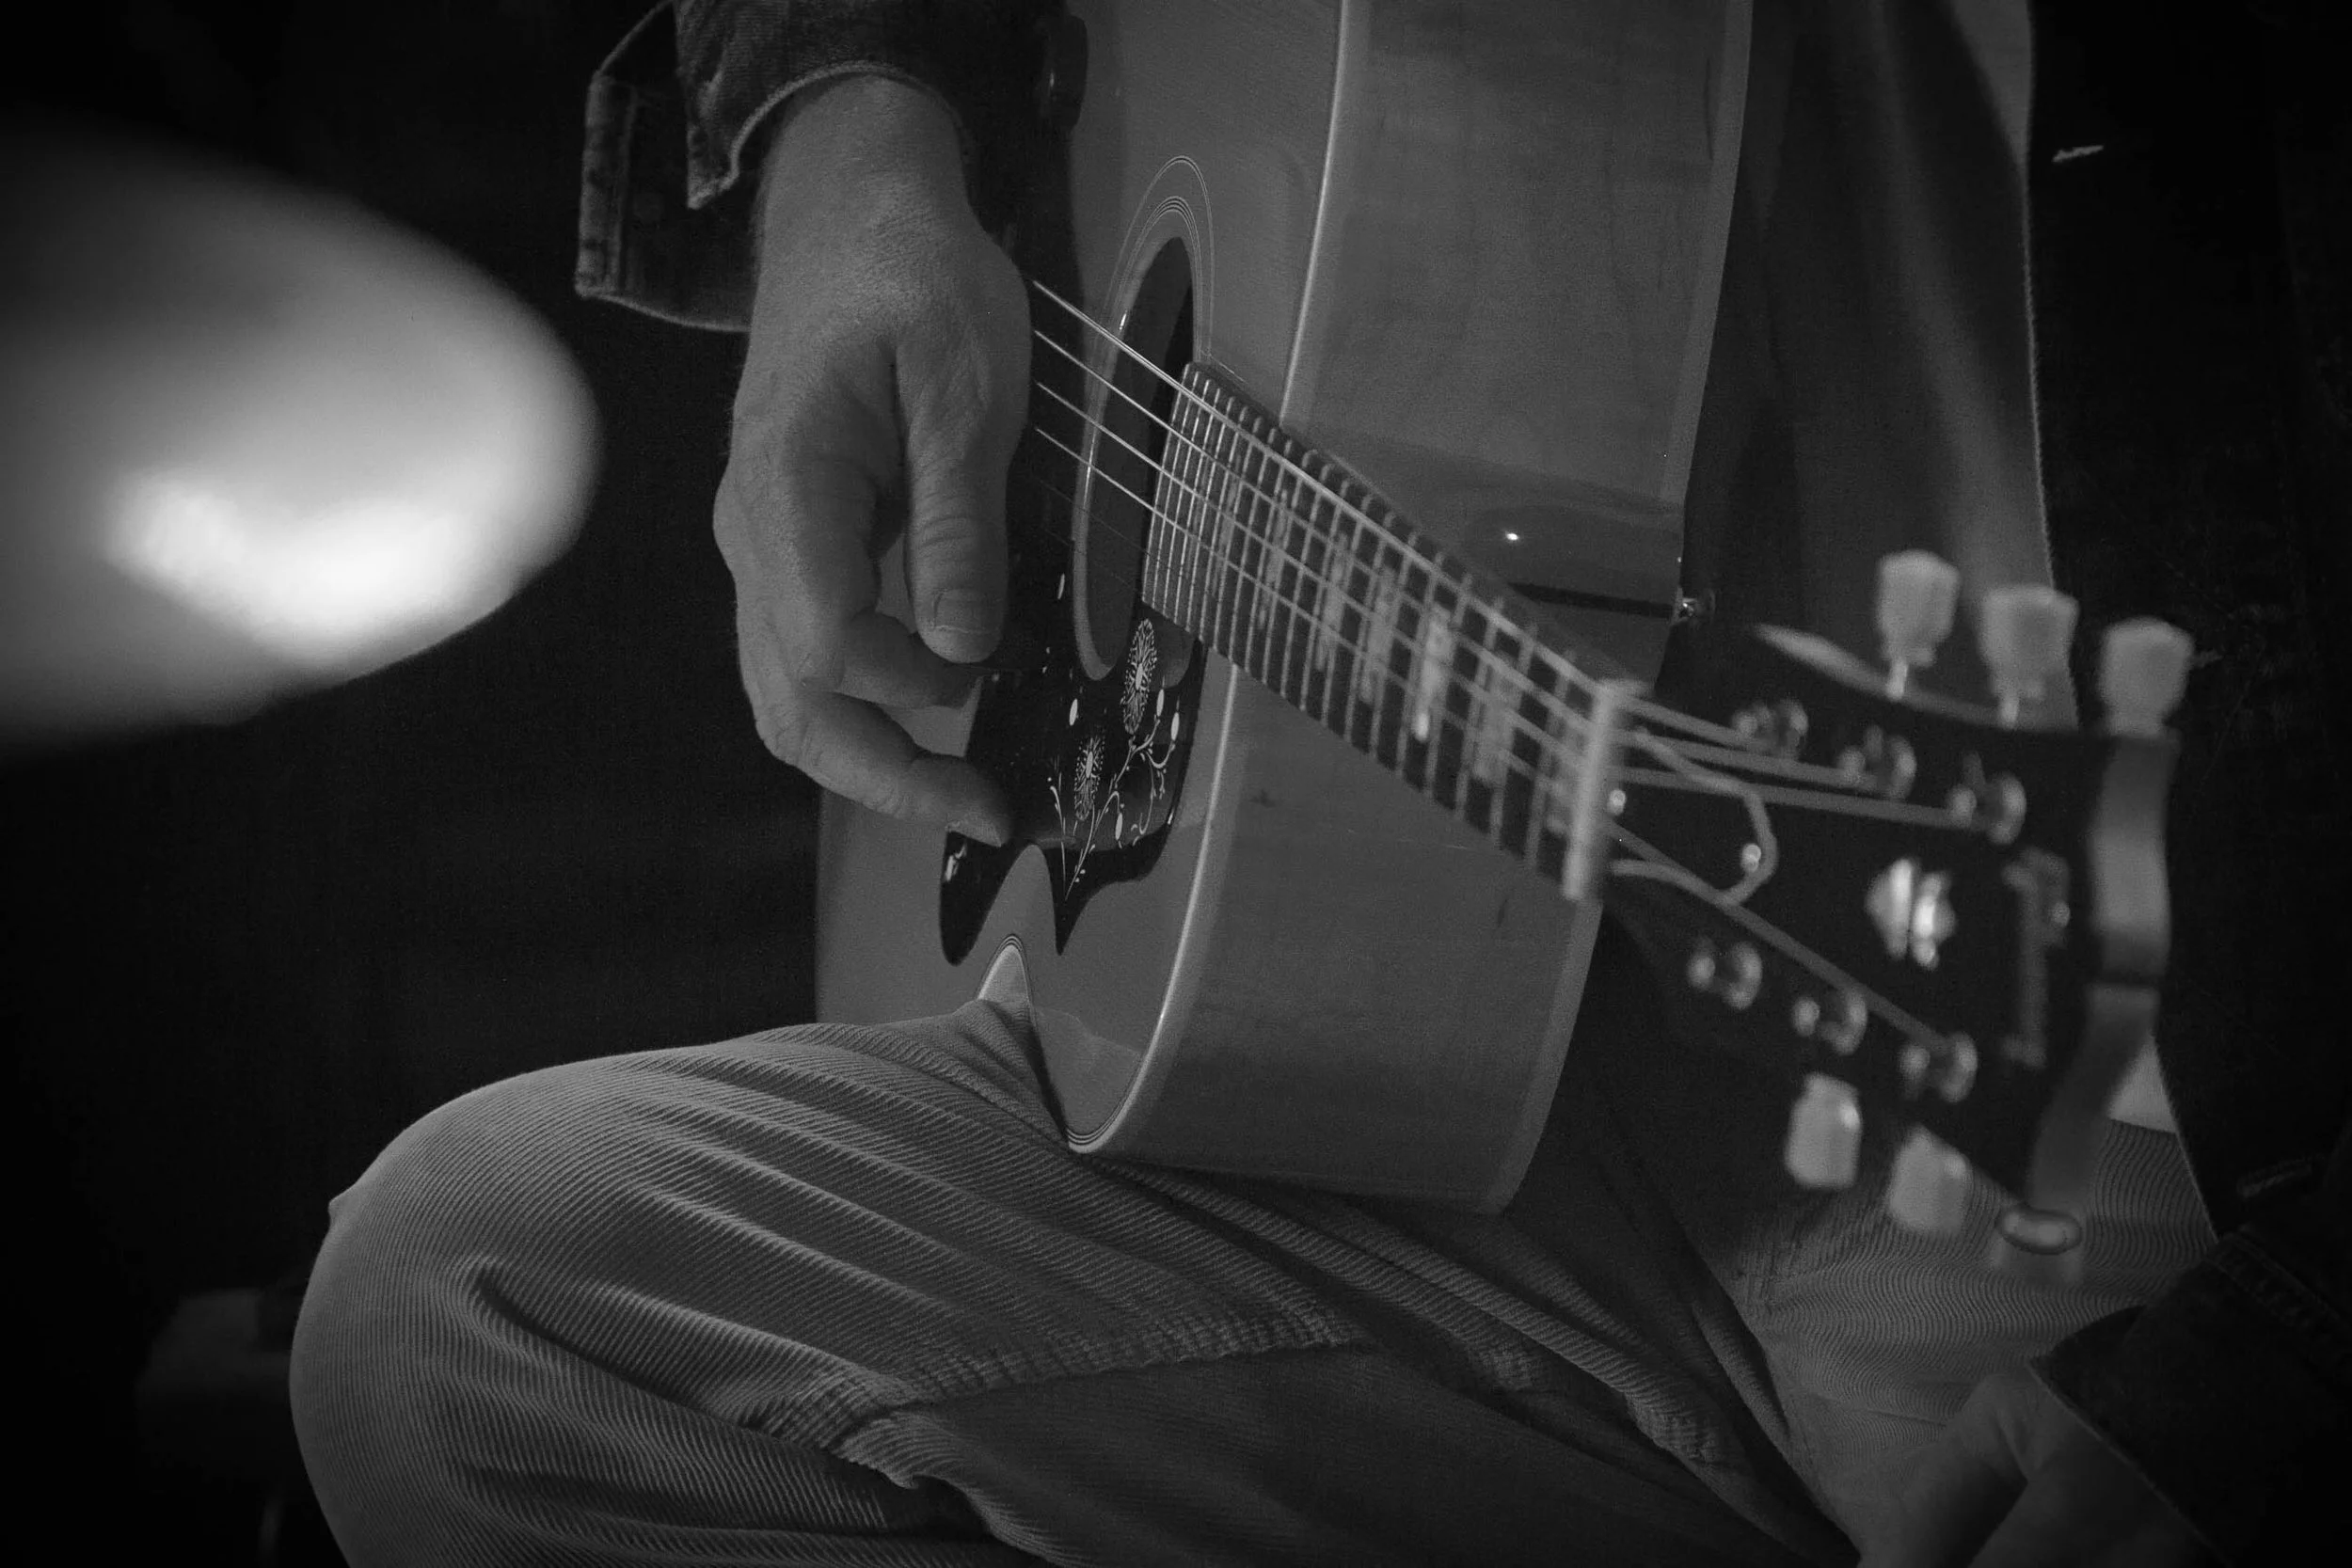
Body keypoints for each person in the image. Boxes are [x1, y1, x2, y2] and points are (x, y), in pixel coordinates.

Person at [289, 2, 2349, 1563]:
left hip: (2099, 1229)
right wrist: (849, 136)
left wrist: (2266, 1370)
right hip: (1492, 1067)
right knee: (461, 1311)